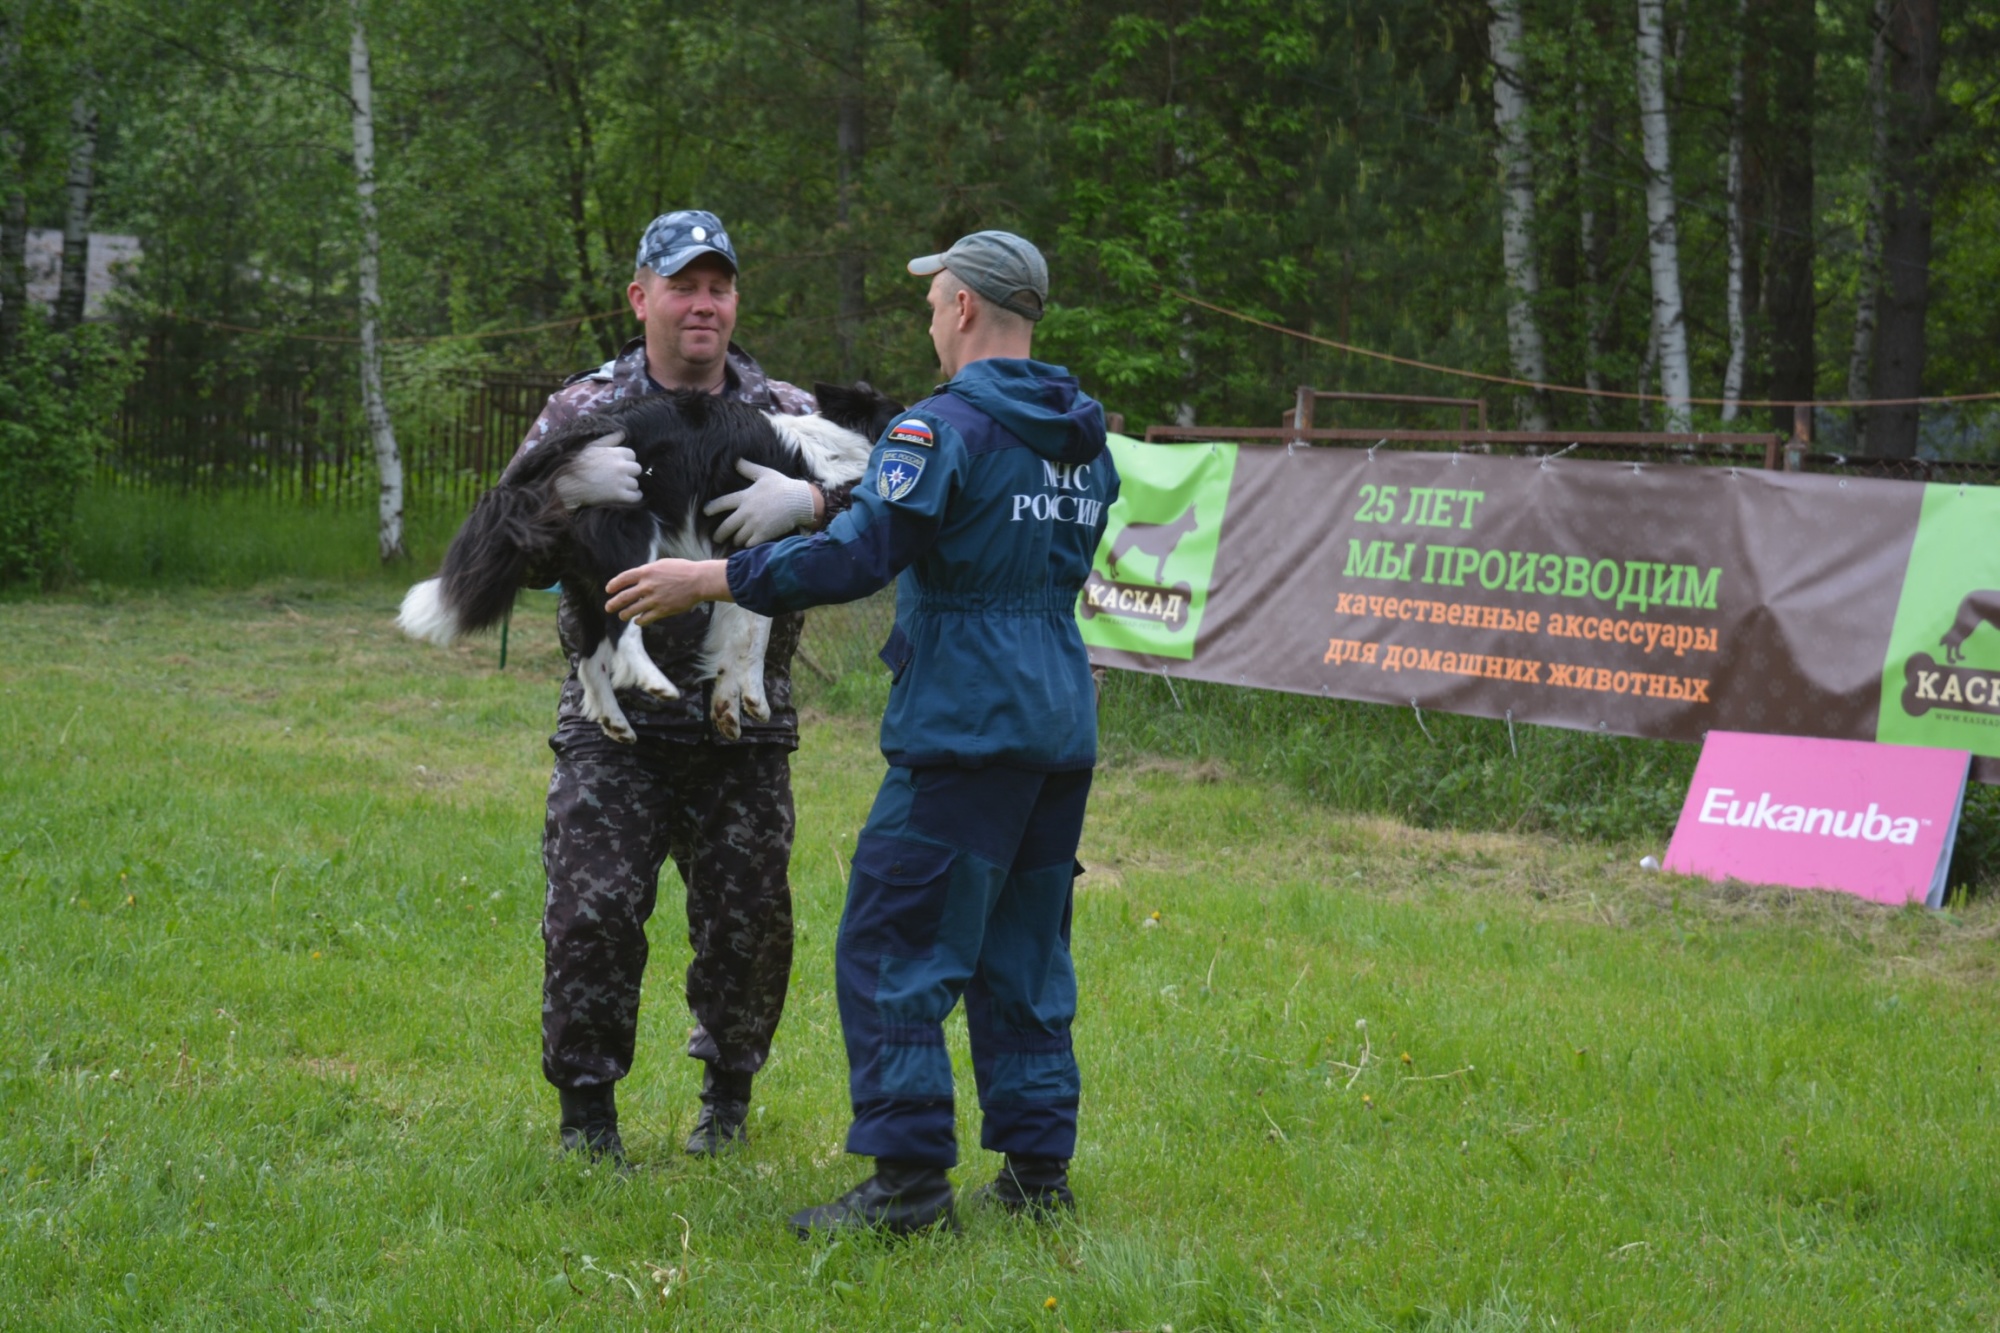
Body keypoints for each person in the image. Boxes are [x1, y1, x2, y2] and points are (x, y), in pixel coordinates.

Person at [603, 230, 1118, 1235]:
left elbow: (856, 557)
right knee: (1023, 956)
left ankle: (908, 1183)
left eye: (935, 303)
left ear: (963, 308)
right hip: (1059, 720)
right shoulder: (1079, 436)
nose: (928, 319)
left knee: (892, 946)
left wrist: (707, 577)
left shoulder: (941, 430)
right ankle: (1035, 1173)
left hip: (967, 725)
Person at [525, 210, 853, 1162]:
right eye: (683, 285)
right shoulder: (581, 408)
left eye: (719, 285)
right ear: (642, 297)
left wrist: (816, 500)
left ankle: (727, 1103)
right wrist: (568, 497)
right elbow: (516, 523)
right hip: (614, 716)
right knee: (590, 910)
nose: (703, 303)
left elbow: (885, 510)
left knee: (749, 922)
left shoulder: (787, 408)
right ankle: (587, 1119)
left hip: (741, 721)